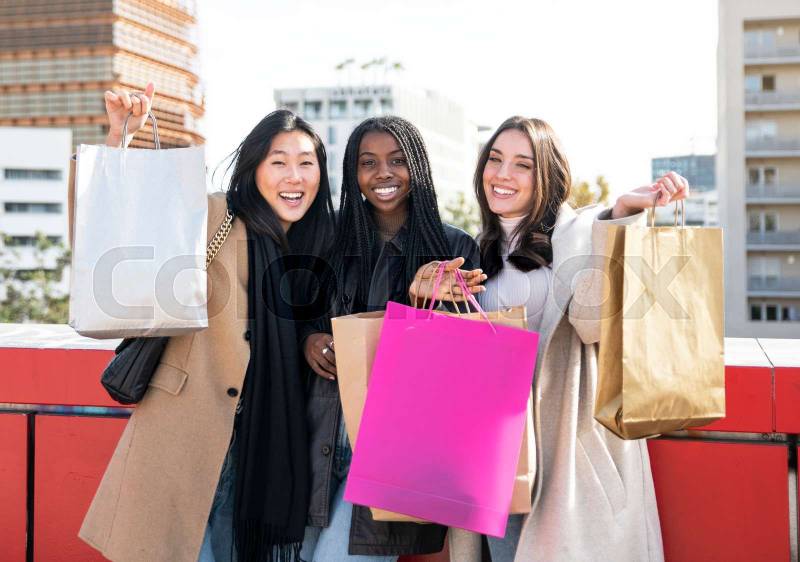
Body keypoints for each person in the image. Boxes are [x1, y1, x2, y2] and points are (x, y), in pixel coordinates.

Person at [77, 83, 335, 562]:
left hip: (263, 450)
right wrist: (122, 142)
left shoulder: (322, 241)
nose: (293, 176)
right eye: (278, 162)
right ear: (254, 168)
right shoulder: (216, 213)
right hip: (186, 431)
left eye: (306, 162)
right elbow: (117, 229)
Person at [447, 116, 688, 562]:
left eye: (523, 165)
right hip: (498, 456)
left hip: (568, 460)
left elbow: (592, 324)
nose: (503, 175)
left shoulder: (578, 234)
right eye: (495, 159)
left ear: (547, 177)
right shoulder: (471, 251)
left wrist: (621, 217)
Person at [299, 115, 483, 562]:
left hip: (395, 452)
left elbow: (460, 366)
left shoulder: (453, 248)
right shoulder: (324, 236)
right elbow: (296, 316)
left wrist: (421, 304)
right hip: (317, 436)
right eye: (368, 162)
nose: (383, 173)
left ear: (417, 166)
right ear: (353, 171)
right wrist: (310, 339)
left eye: (397, 160)